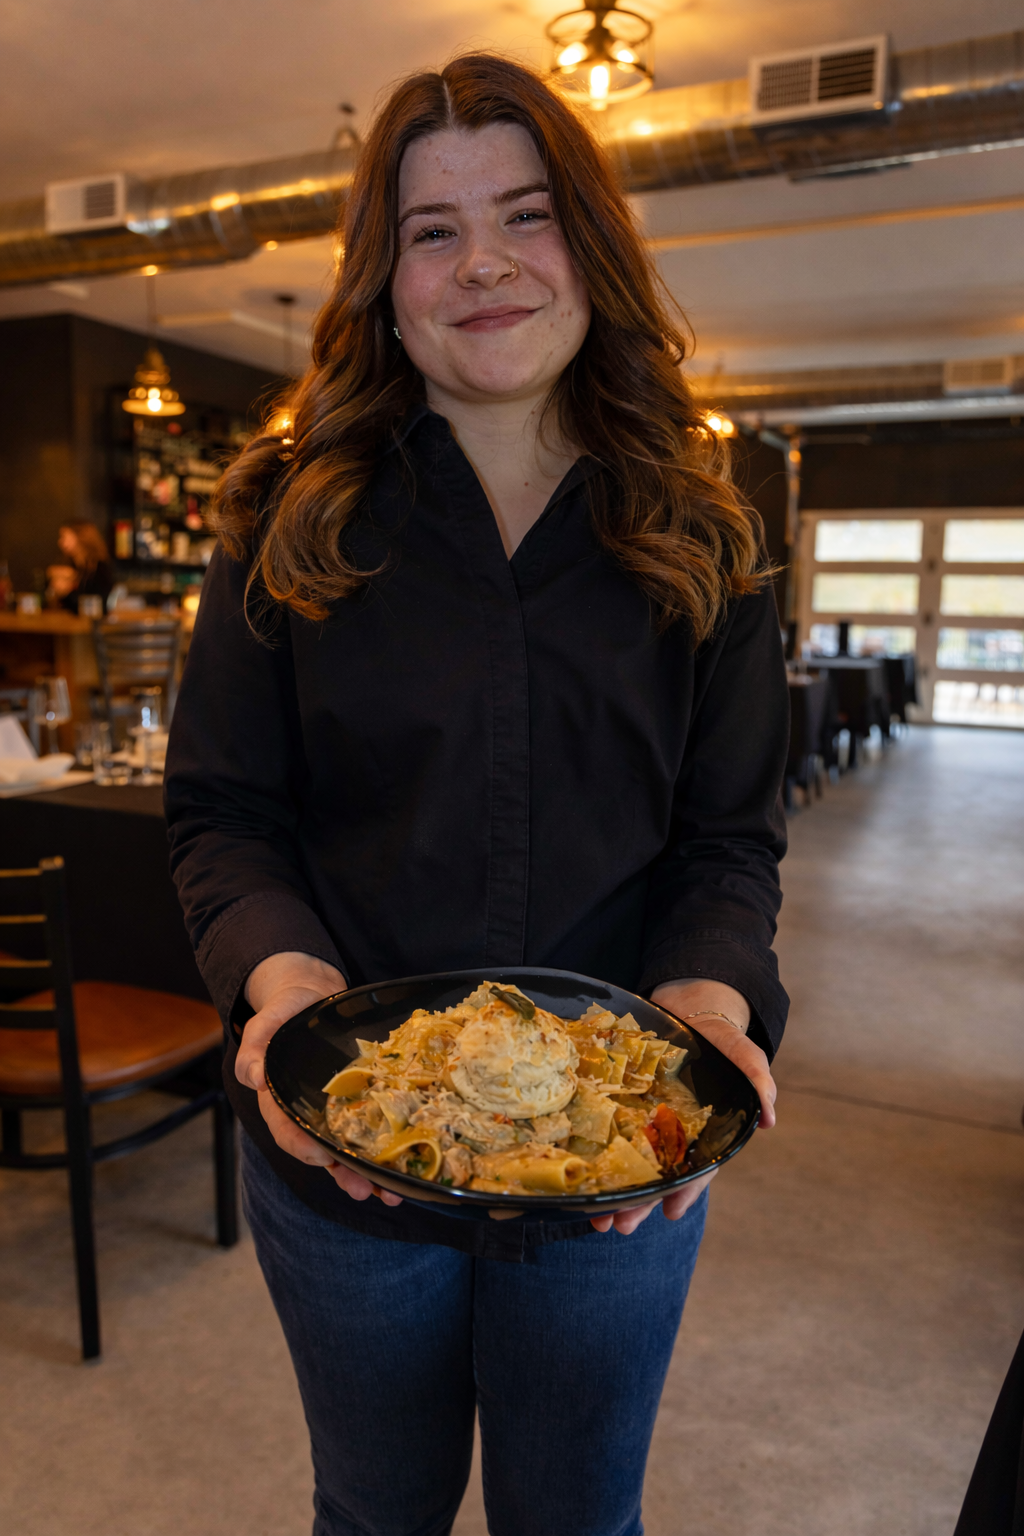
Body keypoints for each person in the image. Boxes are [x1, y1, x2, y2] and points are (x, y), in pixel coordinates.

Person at [164, 53, 789, 1536]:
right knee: (375, 1512)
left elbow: (727, 842)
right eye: (433, 231)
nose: (486, 263)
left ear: (594, 243)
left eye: (525, 213)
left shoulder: (709, 536)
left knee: (577, 1517)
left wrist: (706, 1010)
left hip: (613, 1169)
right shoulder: (282, 518)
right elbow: (222, 814)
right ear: (384, 281)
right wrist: (285, 986)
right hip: (342, 1158)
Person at [45, 519, 113, 612]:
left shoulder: (100, 568)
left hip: (92, 624)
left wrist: (67, 592)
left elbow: (98, 604)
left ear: (80, 537)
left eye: (64, 537)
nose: (60, 542)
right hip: (69, 624)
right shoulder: (70, 564)